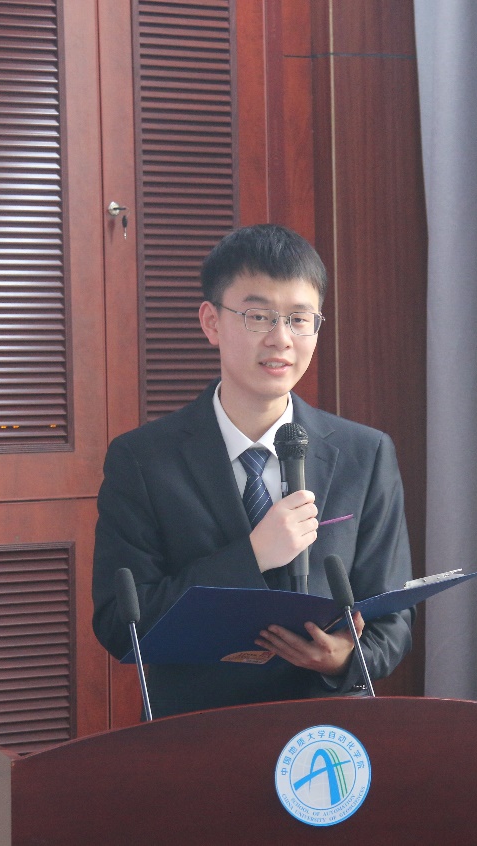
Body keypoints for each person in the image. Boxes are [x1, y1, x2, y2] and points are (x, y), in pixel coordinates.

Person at [92, 224, 413, 717]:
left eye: (299, 319)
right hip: (197, 730)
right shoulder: (142, 460)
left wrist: (344, 658)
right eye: (259, 316)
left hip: (326, 736)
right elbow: (121, 625)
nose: (280, 339)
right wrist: (253, 555)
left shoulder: (364, 454)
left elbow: (393, 621)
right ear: (211, 322)